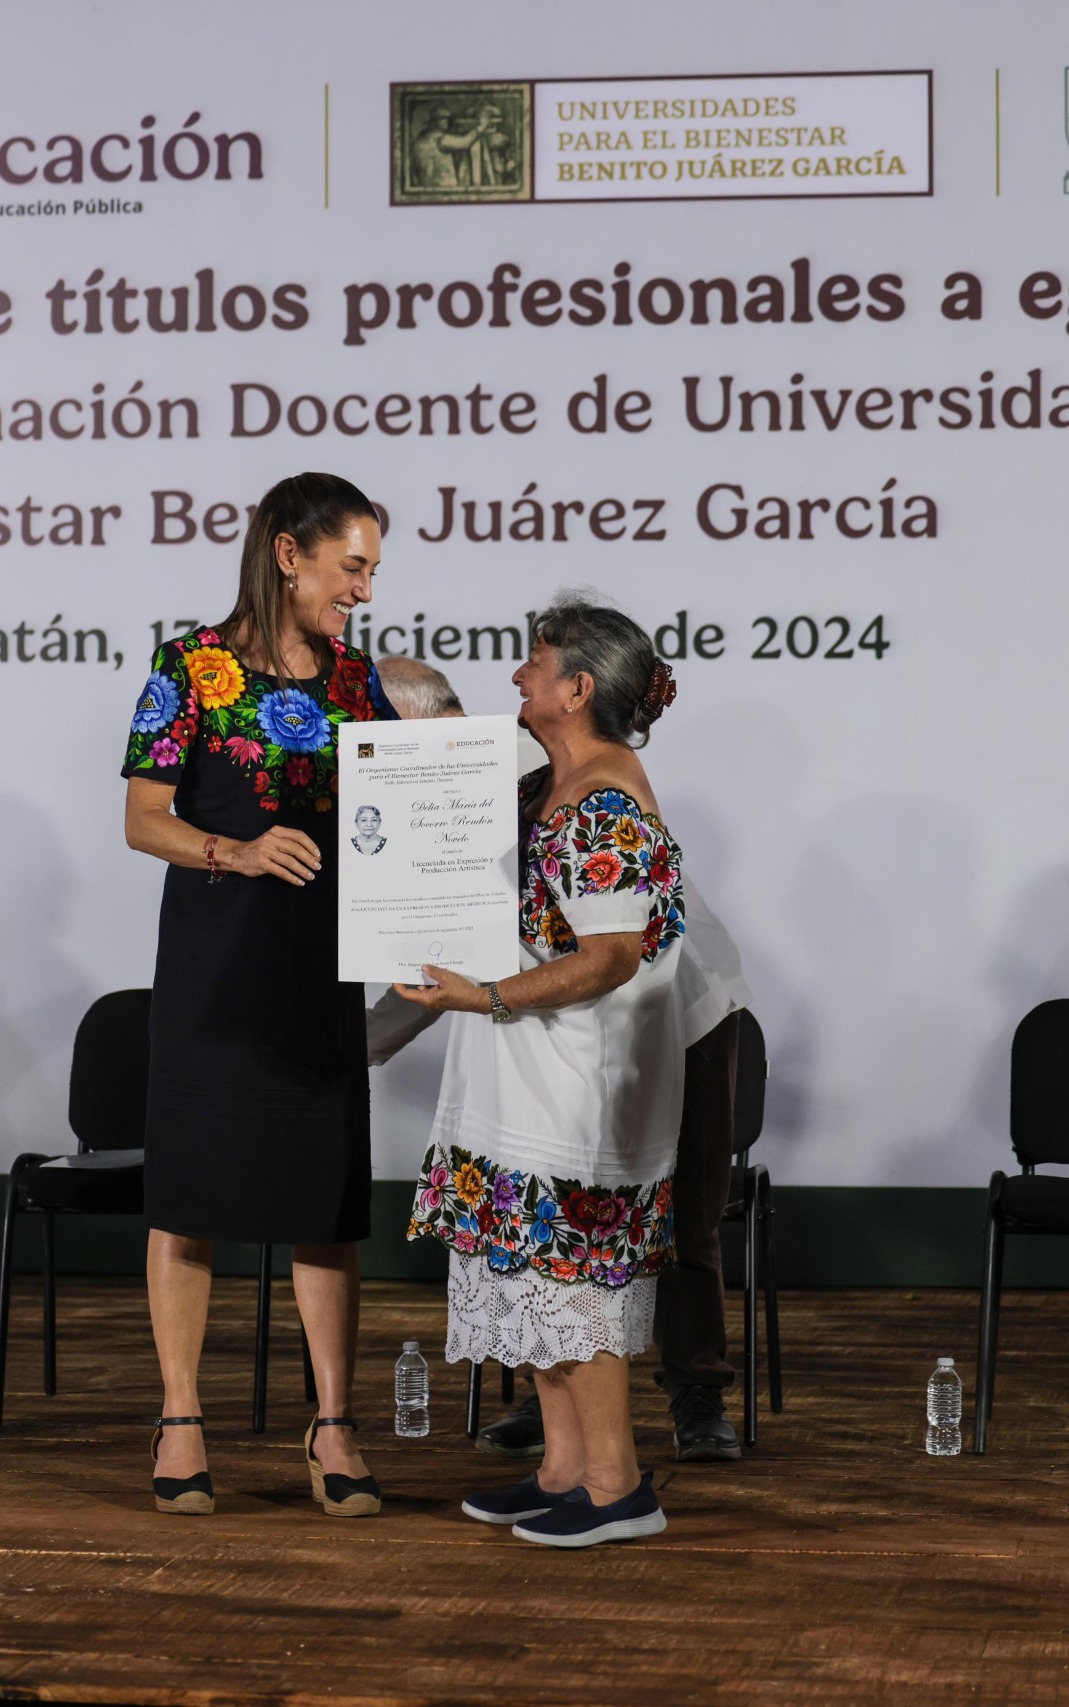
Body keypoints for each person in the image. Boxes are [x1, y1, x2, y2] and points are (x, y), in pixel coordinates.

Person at [365, 653, 755, 1463]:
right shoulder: (449, 783)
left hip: (677, 1008)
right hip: (572, 1018)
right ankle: (565, 1428)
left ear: (410, 717)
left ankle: (694, 1394)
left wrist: (364, 1043)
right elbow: (453, 952)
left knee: (669, 1215)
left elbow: (578, 951)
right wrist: (357, 1043)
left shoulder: (518, 768)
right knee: (557, 1230)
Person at [119, 471, 399, 1518]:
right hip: (213, 972)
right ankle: (180, 1415)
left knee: (325, 1203)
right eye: (351, 567)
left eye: (371, 571)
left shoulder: (360, 682)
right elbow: (145, 819)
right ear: (289, 555)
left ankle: (332, 1425)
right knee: (189, 1198)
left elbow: (393, 826)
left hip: (319, 971)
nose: (363, 590)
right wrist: (233, 851)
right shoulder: (187, 667)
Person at [397, 594, 688, 1547]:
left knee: (575, 1286)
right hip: (524, 1076)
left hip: (577, 1086)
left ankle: (617, 1486)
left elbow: (611, 954)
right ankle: (566, 1468)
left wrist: (486, 994)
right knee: (531, 1278)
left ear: (577, 687)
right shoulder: (547, 784)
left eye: (533, 663)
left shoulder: (606, 801)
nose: (517, 675)